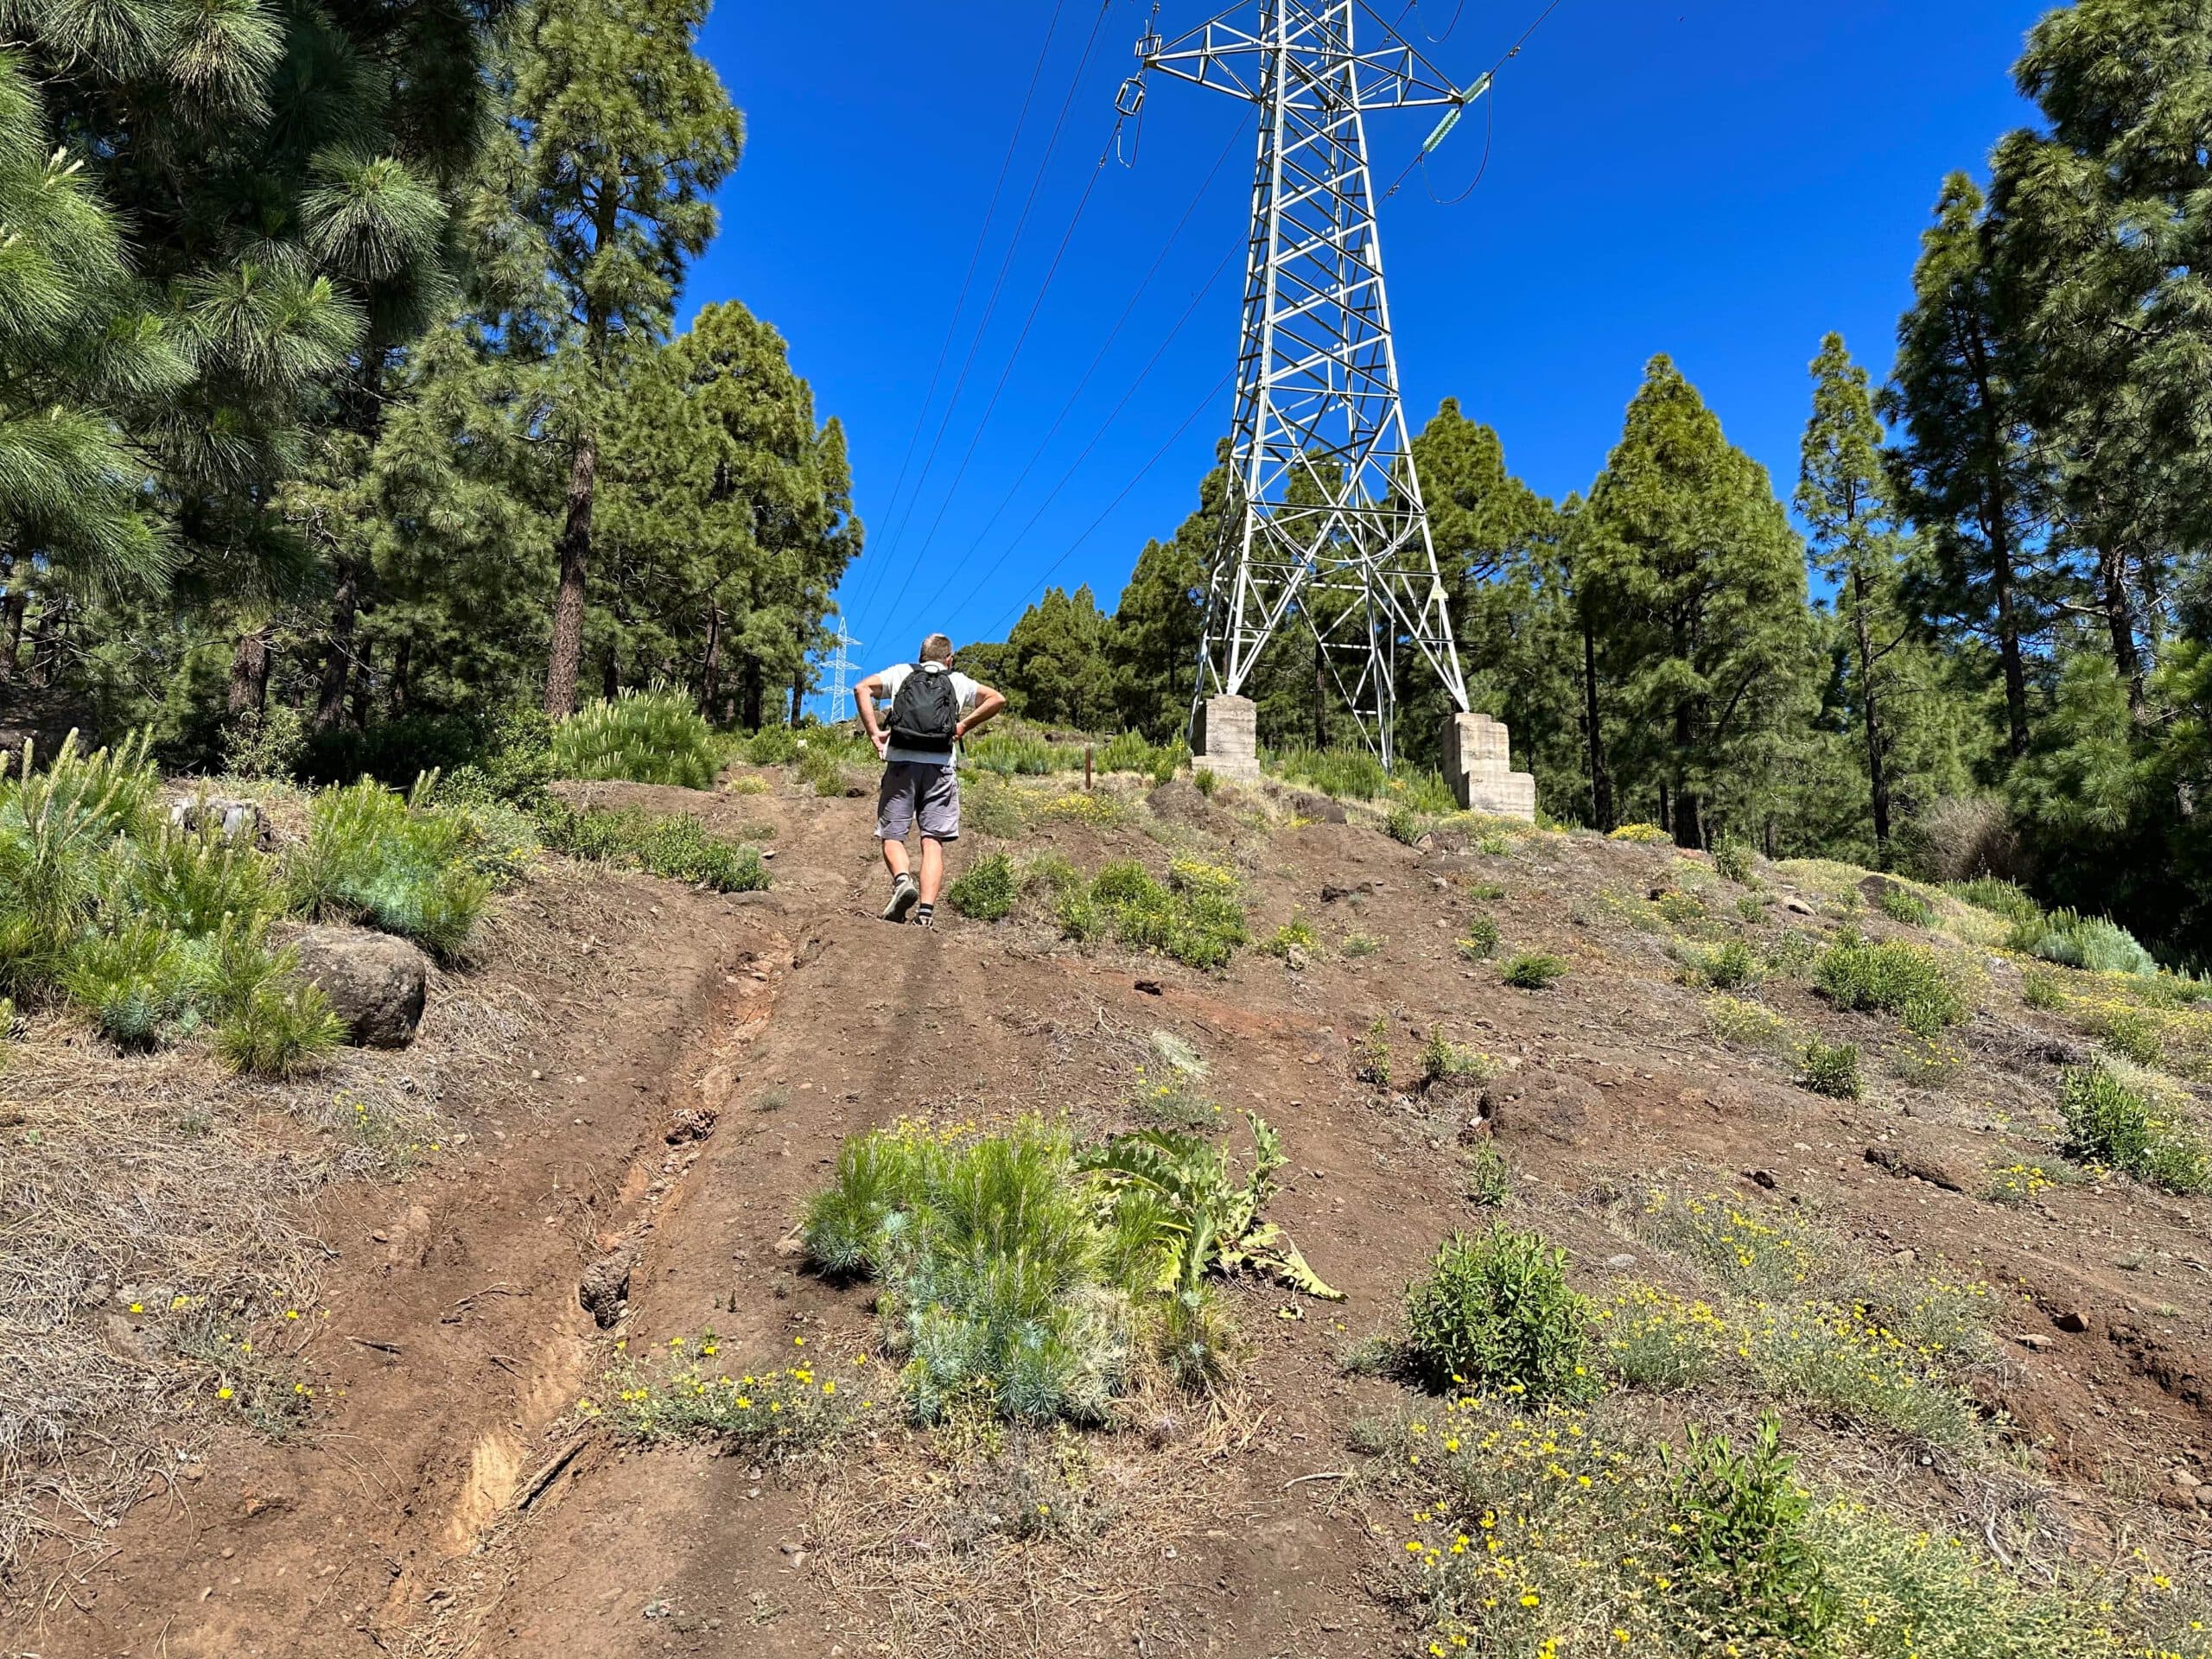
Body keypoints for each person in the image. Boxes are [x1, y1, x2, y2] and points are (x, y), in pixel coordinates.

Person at [853, 634, 1007, 927]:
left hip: (901, 762)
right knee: (932, 840)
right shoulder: (958, 681)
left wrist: (874, 734)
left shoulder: (901, 673)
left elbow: (862, 688)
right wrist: (962, 726)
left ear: (921, 656)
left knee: (893, 835)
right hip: (940, 766)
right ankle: (925, 914)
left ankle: (902, 881)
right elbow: (997, 699)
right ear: (949, 659)